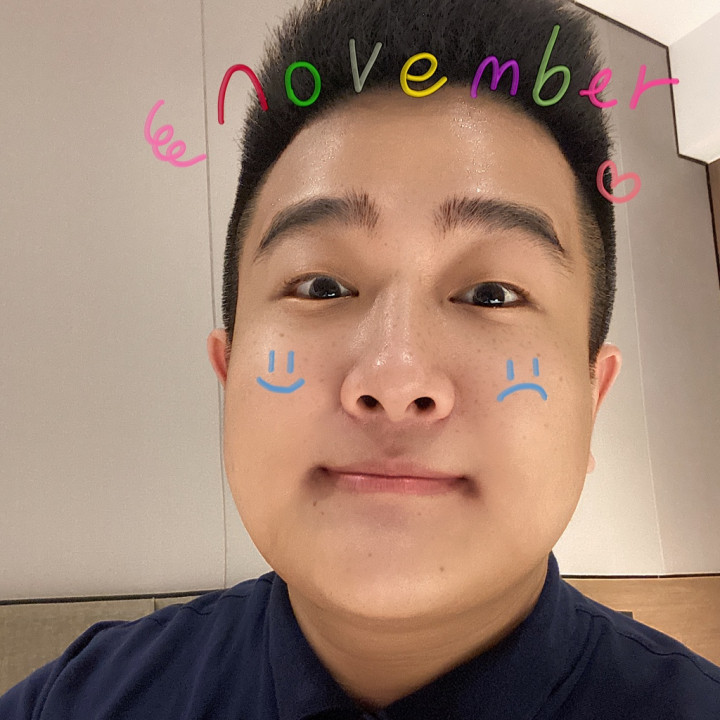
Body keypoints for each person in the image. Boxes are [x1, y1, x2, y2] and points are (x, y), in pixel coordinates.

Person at [3, 0, 720, 717]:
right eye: (321, 286)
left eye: (493, 294)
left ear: (593, 399)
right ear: (229, 373)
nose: (395, 376)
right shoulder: (79, 699)